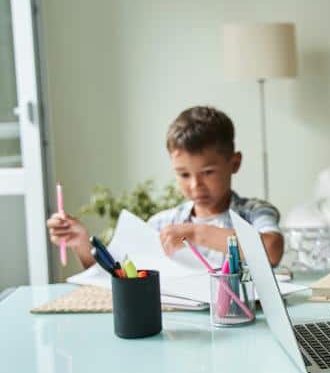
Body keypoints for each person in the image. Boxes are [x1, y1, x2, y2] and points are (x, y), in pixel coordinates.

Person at [47, 105, 284, 268]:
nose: (195, 185)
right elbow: (116, 274)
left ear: (234, 163)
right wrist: (80, 243)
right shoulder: (163, 224)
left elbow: (272, 250)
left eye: (208, 172)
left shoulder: (254, 212)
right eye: (183, 174)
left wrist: (195, 233)